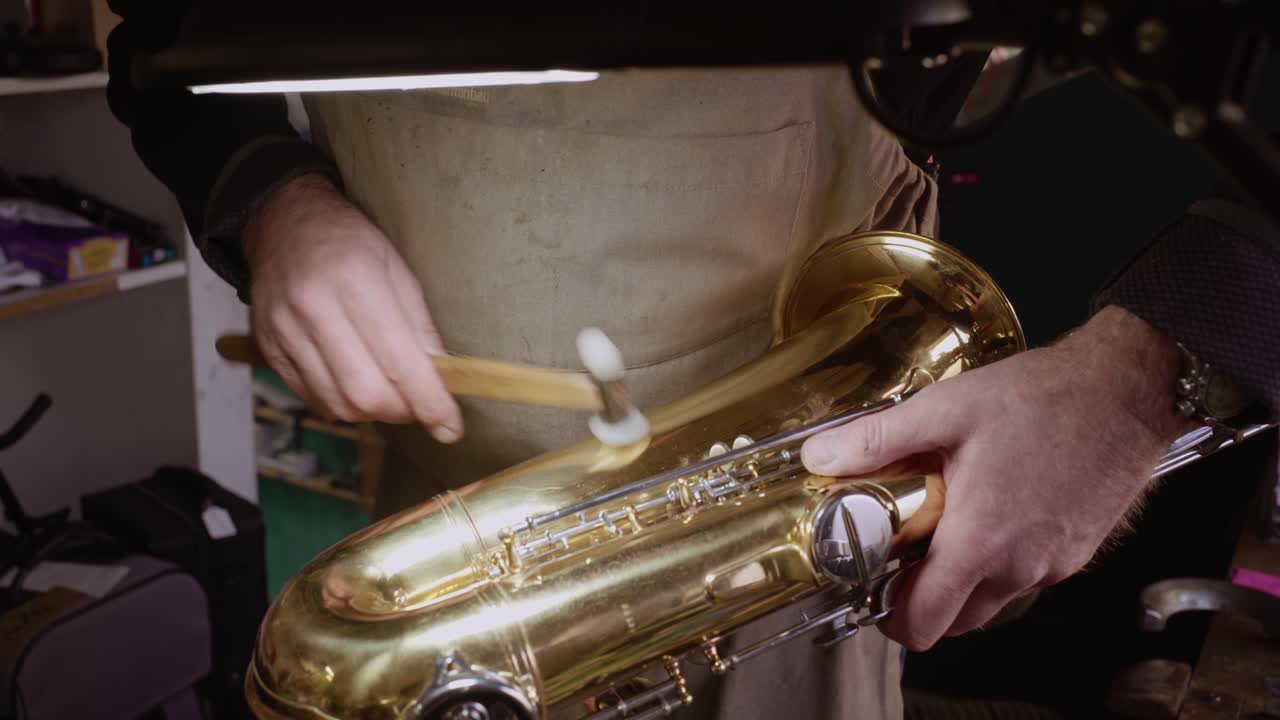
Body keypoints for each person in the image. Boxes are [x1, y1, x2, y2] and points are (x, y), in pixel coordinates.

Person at [105, 3, 1279, 718]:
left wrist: (1138, 384)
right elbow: (161, 44)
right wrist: (273, 201)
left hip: (792, 541)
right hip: (442, 526)